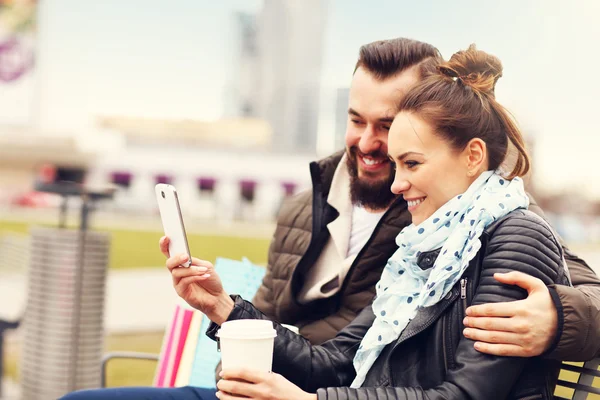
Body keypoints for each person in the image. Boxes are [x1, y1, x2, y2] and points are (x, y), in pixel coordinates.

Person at [59, 39, 600, 400]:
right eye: (355, 120)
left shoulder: (503, 226)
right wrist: (224, 310)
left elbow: (468, 388)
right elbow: (334, 360)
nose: (378, 156)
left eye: (395, 140)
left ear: (466, 151)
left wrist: (560, 315)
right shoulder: (412, 237)